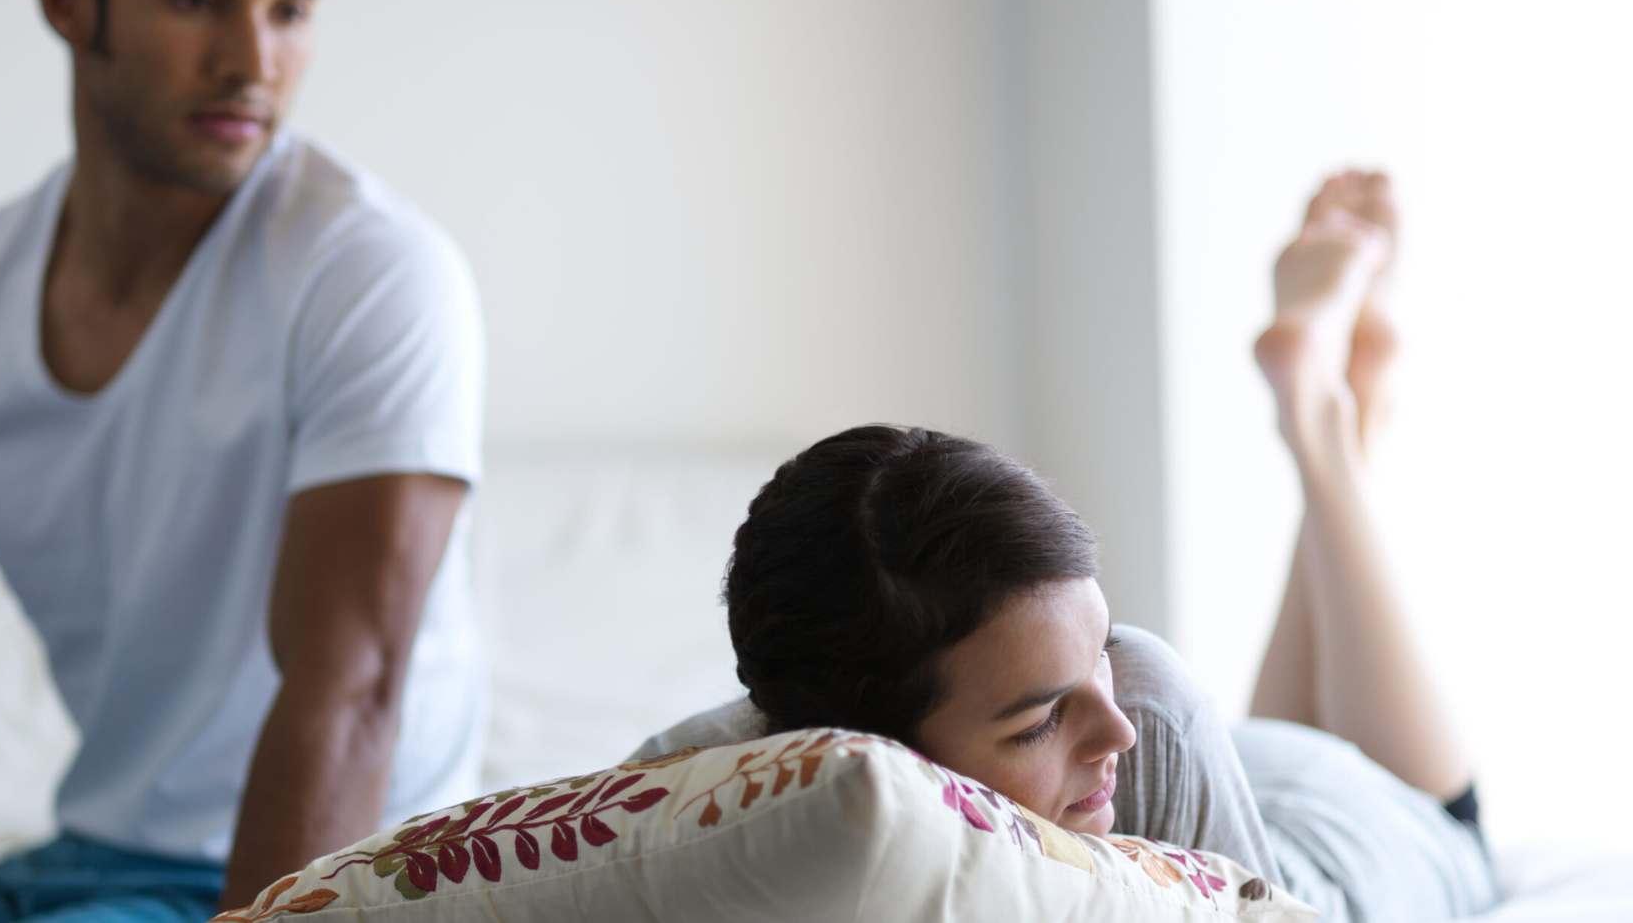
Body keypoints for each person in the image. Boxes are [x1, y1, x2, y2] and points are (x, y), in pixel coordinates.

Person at [0, 0, 485, 920]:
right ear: (70, 0)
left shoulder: (369, 273)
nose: (251, 62)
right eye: (198, 0)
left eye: (289, 9)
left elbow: (350, 692)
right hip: (93, 861)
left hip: (344, 867)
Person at [633, 172, 1500, 922]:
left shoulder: (1148, 709)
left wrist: (1070, 716)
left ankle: (1328, 432)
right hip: (1234, 773)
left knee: (1438, 816)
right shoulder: (727, 780)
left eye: (1100, 657)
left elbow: (1147, 725)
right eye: (1041, 719)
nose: (1110, 726)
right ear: (877, 753)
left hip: (1351, 842)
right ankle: (1342, 403)